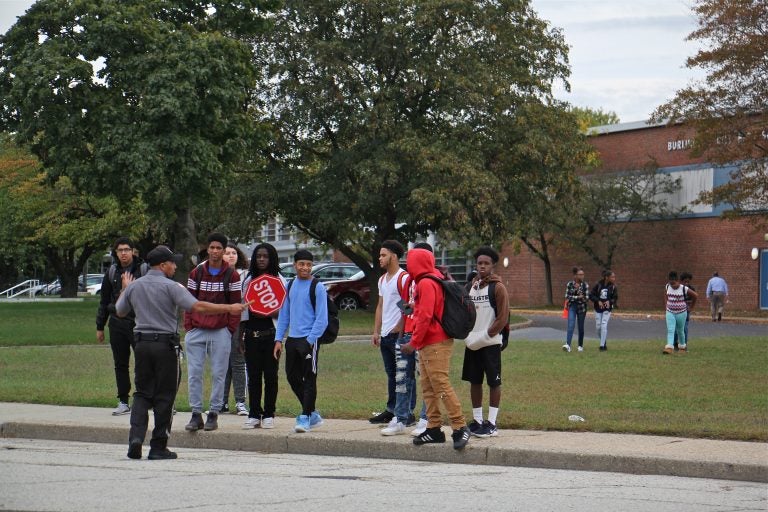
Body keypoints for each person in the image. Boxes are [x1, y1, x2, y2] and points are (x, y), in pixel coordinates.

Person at [116, 245, 248, 460]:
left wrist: (125, 288)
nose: (175, 266)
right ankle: (158, 446)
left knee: (141, 393)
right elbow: (198, 307)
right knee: (165, 396)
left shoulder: (135, 286)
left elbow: (121, 311)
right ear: (162, 265)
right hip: (165, 346)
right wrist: (229, 308)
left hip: (141, 344)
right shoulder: (172, 286)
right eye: (172, 263)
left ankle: (136, 439)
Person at [400, 247, 470, 450]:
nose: (408, 265)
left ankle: (460, 426)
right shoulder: (431, 279)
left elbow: (425, 317)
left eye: (410, 261)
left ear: (417, 263)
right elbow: (426, 310)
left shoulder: (426, 282)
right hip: (429, 342)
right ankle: (433, 428)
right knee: (428, 387)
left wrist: (413, 342)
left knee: (440, 384)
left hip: (435, 341)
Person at [183, 233, 242, 433]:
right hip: (197, 330)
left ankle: (214, 413)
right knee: (194, 374)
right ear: (207, 249)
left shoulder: (231, 275)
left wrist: (229, 329)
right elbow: (188, 302)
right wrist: (189, 326)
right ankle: (196, 413)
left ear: (224, 251)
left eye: (219, 248)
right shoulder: (196, 273)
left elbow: (235, 304)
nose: (215, 251)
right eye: (212, 248)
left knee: (219, 373)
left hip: (220, 331)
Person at [274, 249, 328, 433]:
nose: (305, 267)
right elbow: (284, 314)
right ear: (295, 265)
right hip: (292, 339)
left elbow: (322, 319)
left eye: (309, 264)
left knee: (309, 378)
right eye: (301, 264)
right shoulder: (290, 285)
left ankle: (305, 416)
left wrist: (311, 340)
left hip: (309, 341)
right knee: (292, 377)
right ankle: (313, 413)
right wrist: (278, 339)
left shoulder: (317, 287)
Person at [96, 237, 148, 416]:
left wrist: (130, 289)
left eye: (127, 249)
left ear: (133, 251)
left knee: (143, 363)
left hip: (138, 323)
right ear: (116, 253)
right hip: (117, 323)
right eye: (120, 250)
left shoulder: (143, 270)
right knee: (120, 363)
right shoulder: (112, 272)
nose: (124, 253)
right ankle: (123, 401)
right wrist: (100, 326)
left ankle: (143, 399)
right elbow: (104, 301)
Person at [461, 247, 509, 439]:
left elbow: (502, 318)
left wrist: (486, 335)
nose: (482, 266)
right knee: (474, 381)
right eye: (479, 263)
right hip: (472, 343)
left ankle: (492, 423)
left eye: (486, 263)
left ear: (493, 265)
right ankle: (478, 420)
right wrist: (467, 335)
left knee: (493, 382)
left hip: (490, 343)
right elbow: (464, 313)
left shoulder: (498, 287)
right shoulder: (471, 287)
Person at [373, 240, 417, 435]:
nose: (380, 258)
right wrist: (377, 331)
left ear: (393, 256)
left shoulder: (403, 278)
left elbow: (406, 307)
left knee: (405, 376)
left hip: (398, 335)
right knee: (392, 375)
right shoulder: (382, 280)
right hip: (385, 335)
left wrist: (399, 330)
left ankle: (408, 412)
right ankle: (392, 410)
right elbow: (381, 306)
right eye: (380, 255)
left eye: (383, 255)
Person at [240, 243, 284, 429]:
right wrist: (240, 336)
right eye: (258, 256)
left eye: (265, 256)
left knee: (271, 376)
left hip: (272, 336)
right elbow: (242, 310)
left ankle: (269, 414)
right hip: (251, 336)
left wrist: (270, 312)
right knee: (254, 376)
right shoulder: (248, 279)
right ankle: (254, 413)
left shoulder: (279, 279)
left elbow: (284, 311)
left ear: (272, 258)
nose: (261, 259)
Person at [222, 242, 249, 416]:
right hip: (220, 322)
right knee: (222, 364)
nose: (231, 255)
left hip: (239, 323)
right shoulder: (216, 274)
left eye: (234, 253)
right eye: (227, 253)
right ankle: (221, 402)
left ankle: (240, 402)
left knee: (238, 362)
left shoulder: (245, 275)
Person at [663, 271, 698, 355]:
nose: (672, 285)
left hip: (681, 312)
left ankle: (682, 347)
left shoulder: (683, 288)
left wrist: (691, 307)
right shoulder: (667, 286)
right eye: (671, 283)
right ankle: (669, 347)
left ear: (677, 280)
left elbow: (695, 296)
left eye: (674, 283)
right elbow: (665, 294)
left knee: (680, 330)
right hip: (670, 311)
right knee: (671, 329)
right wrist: (666, 305)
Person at [589, 270, 618, 352]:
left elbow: (615, 298)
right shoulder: (598, 285)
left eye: (614, 277)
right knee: (598, 327)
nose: (614, 278)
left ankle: (602, 346)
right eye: (612, 277)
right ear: (606, 277)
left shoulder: (613, 287)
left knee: (604, 324)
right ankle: (603, 342)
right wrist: (598, 300)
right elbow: (591, 295)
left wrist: (610, 301)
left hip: (607, 309)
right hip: (598, 309)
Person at [563, 267, 589, 353]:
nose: (582, 276)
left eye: (583, 274)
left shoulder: (585, 285)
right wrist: (577, 296)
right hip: (572, 307)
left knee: (580, 327)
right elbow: (567, 296)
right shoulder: (570, 284)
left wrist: (579, 291)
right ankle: (568, 345)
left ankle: (580, 346)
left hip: (582, 308)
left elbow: (586, 298)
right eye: (580, 275)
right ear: (575, 276)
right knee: (571, 325)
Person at [673, 272, 695, 351]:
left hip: (686, 311)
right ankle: (674, 343)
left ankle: (684, 345)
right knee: (675, 329)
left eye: (688, 282)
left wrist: (690, 307)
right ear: (681, 281)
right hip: (677, 311)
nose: (687, 283)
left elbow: (694, 298)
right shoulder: (678, 289)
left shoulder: (691, 289)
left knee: (684, 328)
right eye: (685, 282)